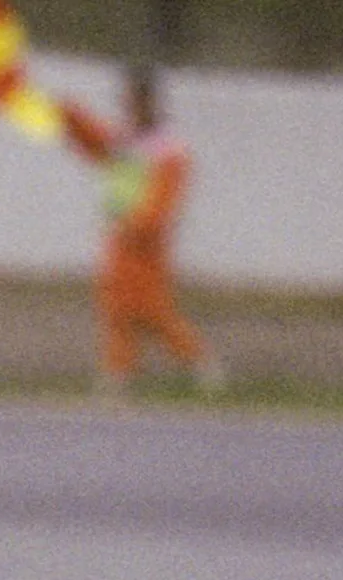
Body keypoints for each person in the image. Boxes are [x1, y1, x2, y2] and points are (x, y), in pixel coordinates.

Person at [54, 66, 223, 399]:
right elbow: (98, 143)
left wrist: (144, 225)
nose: (127, 107)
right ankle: (118, 376)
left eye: (134, 101)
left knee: (152, 310)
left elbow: (166, 196)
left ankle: (201, 365)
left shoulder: (168, 148)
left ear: (149, 102)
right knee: (115, 307)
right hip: (120, 233)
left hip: (146, 240)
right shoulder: (128, 138)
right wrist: (70, 116)